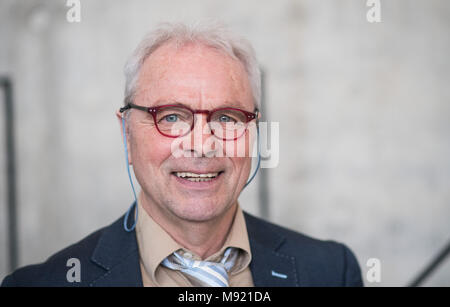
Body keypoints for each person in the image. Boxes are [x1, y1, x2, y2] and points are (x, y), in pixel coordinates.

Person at [1, 22, 363, 287]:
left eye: (227, 117)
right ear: (127, 133)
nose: (202, 143)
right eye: (171, 117)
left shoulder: (332, 271)